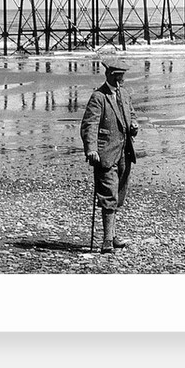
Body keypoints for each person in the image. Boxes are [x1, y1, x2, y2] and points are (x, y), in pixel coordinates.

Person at [80, 58, 139, 254]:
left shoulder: (124, 93)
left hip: (124, 151)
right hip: (105, 153)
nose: (120, 81)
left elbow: (131, 114)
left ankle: (112, 235)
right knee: (108, 195)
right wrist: (91, 148)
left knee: (119, 193)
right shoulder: (98, 97)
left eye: (122, 77)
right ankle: (107, 240)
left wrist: (134, 126)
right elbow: (90, 125)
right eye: (117, 77)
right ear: (108, 75)